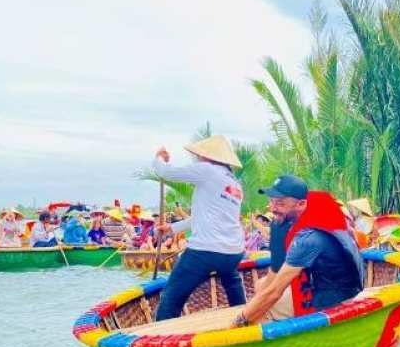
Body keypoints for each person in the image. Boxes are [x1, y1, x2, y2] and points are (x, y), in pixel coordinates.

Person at [231, 177, 364, 326]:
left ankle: (286, 343)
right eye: (272, 201)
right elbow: (274, 274)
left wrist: (239, 321)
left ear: (301, 204)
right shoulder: (320, 214)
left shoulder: (309, 237)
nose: (273, 208)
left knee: (261, 311)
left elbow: (274, 292)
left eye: (280, 203)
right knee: (261, 285)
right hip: (332, 285)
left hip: (335, 298)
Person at [152, 135, 246, 321]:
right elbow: (204, 217)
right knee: (232, 284)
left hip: (205, 252)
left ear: (207, 157)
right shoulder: (234, 184)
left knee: (171, 297)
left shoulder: (208, 170)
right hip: (233, 252)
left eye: (199, 156)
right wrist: (172, 228)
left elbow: (165, 173)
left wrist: (159, 158)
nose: (198, 159)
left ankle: (160, 336)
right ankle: (245, 318)